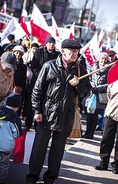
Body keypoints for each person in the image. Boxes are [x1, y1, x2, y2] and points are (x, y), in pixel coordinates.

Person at [25, 39, 91, 184]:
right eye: (72, 51)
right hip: (46, 114)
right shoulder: (49, 66)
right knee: (38, 150)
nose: (75, 54)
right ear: (63, 51)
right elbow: (37, 90)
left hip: (66, 116)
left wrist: (78, 85)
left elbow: (87, 93)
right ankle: (32, 177)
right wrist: (37, 110)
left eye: (76, 52)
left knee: (57, 152)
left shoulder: (81, 70)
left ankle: (50, 178)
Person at [83, 52, 110, 139]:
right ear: (99, 59)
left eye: (105, 59)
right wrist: (91, 86)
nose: (103, 61)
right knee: (89, 114)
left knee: (94, 115)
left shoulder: (109, 70)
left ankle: (91, 133)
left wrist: (98, 88)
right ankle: (87, 131)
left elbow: (109, 84)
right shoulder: (93, 68)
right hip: (91, 94)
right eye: (102, 59)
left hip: (100, 96)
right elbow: (89, 78)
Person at [12, 45, 27, 116]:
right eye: (16, 53)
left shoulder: (23, 67)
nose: (18, 55)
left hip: (17, 90)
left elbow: (23, 80)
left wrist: (22, 92)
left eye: (20, 54)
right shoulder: (9, 63)